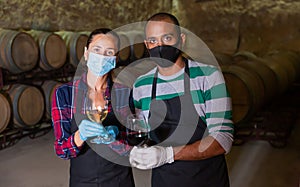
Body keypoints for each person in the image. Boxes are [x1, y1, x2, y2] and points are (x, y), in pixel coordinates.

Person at [129, 13, 234, 186]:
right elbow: (143, 133)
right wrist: (137, 151)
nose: (160, 46)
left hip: (207, 179)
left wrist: (168, 154)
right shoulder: (141, 85)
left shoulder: (208, 76)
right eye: (153, 41)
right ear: (147, 45)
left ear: (181, 39)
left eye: (167, 38)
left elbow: (223, 140)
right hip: (164, 180)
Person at [52, 28, 134, 187]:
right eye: (97, 50)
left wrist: (116, 137)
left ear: (115, 59)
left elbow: (132, 146)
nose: (102, 57)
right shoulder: (65, 93)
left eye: (109, 52)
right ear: (86, 53)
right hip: (83, 182)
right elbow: (62, 150)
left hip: (119, 180)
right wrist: (80, 135)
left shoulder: (124, 92)